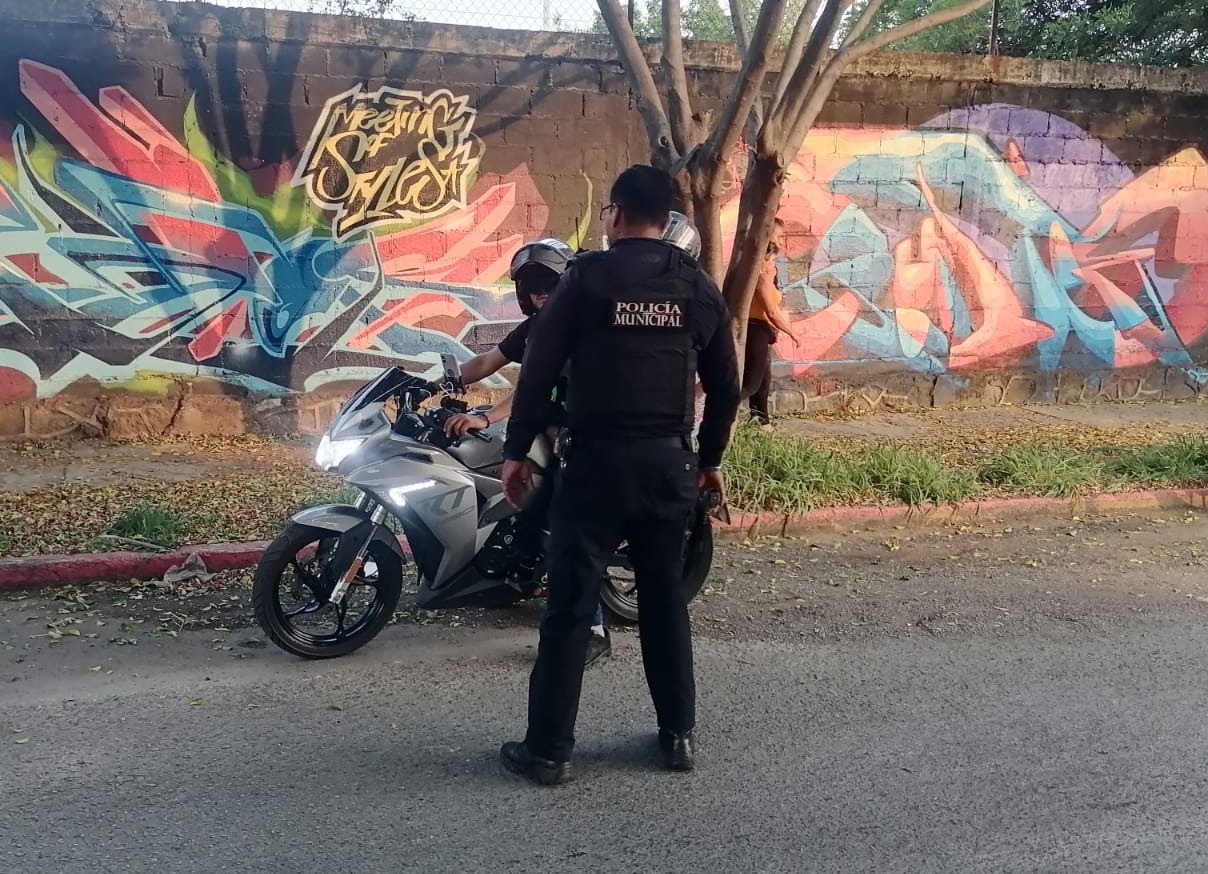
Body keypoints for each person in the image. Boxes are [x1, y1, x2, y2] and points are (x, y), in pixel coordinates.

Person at [497, 165, 741, 785]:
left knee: (570, 608)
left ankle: (548, 751)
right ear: (666, 218)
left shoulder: (585, 280)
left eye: (608, 212)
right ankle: (678, 736)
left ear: (616, 213)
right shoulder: (694, 285)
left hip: (594, 467)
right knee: (663, 601)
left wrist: (517, 450)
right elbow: (726, 385)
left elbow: (539, 367)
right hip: (667, 468)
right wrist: (710, 459)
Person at [442, 237, 612, 669]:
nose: (539, 292)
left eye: (548, 283)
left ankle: (593, 629)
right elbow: (488, 361)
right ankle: (515, 570)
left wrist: (487, 416)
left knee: (560, 526)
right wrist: (432, 382)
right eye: (531, 285)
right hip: (546, 428)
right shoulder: (537, 325)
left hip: (577, 434)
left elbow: (530, 389)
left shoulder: (576, 325)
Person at [741, 217, 799, 429]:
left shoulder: (767, 276)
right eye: (773, 260)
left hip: (762, 332)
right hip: (755, 332)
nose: (775, 264)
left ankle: (761, 421)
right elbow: (772, 312)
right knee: (751, 383)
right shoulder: (760, 277)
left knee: (763, 381)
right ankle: (718, 412)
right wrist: (793, 333)